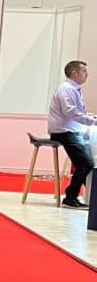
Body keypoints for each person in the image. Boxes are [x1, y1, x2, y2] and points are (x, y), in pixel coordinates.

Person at [48, 59, 94, 209]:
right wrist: (91, 122)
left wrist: (89, 120)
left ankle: (89, 195)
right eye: (84, 71)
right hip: (64, 132)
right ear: (74, 73)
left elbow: (77, 112)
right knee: (86, 163)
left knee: (85, 161)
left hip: (71, 131)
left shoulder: (73, 89)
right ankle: (70, 197)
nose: (87, 74)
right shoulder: (66, 89)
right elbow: (71, 112)